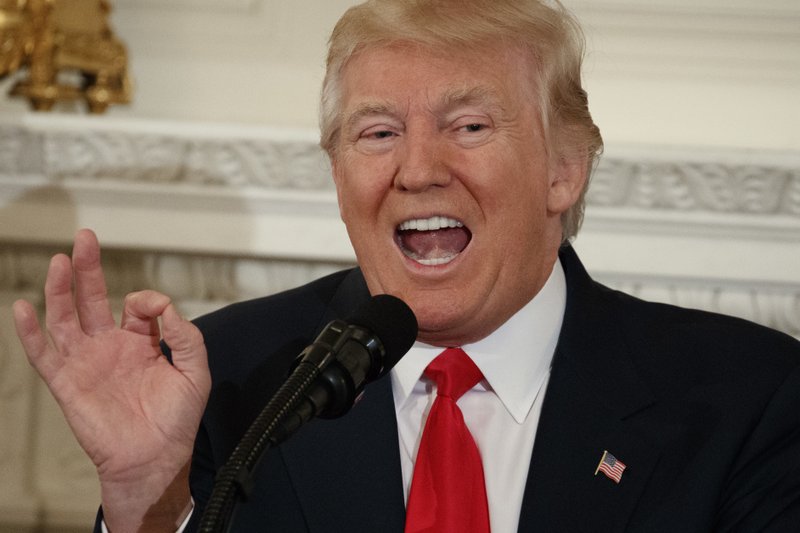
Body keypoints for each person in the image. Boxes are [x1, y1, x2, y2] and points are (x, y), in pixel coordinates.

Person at [12, 0, 800, 531]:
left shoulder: (748, 397)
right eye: (378, 133)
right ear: (338, 175)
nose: (418, 170)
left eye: (468, 124)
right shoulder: (226, 382)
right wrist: (149, 502)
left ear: (564, 169)